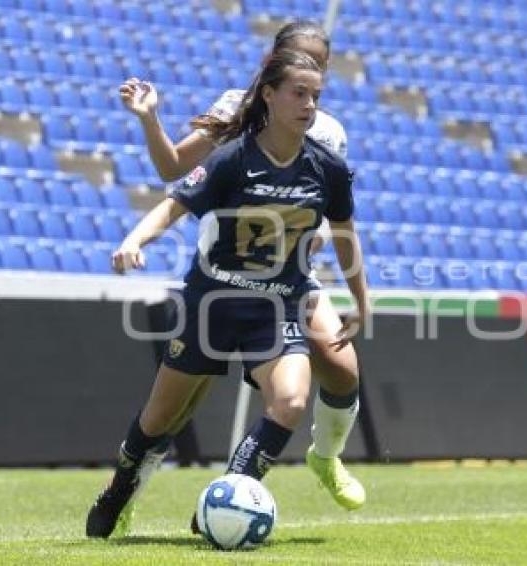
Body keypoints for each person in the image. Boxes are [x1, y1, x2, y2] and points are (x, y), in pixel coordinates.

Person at [86, 49, 369, 538]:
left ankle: (229, 497)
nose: (309, 105)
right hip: (213, 300)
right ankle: (120, 488)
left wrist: (362, 300)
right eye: (299, 93)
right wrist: (134, 239)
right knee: (159, 418)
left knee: (293, 399)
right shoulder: (232, 155)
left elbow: (344, 234)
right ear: (269, 93)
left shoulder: (328, 165)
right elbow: (173, 202)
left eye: (316, 96)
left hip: (279, 301)